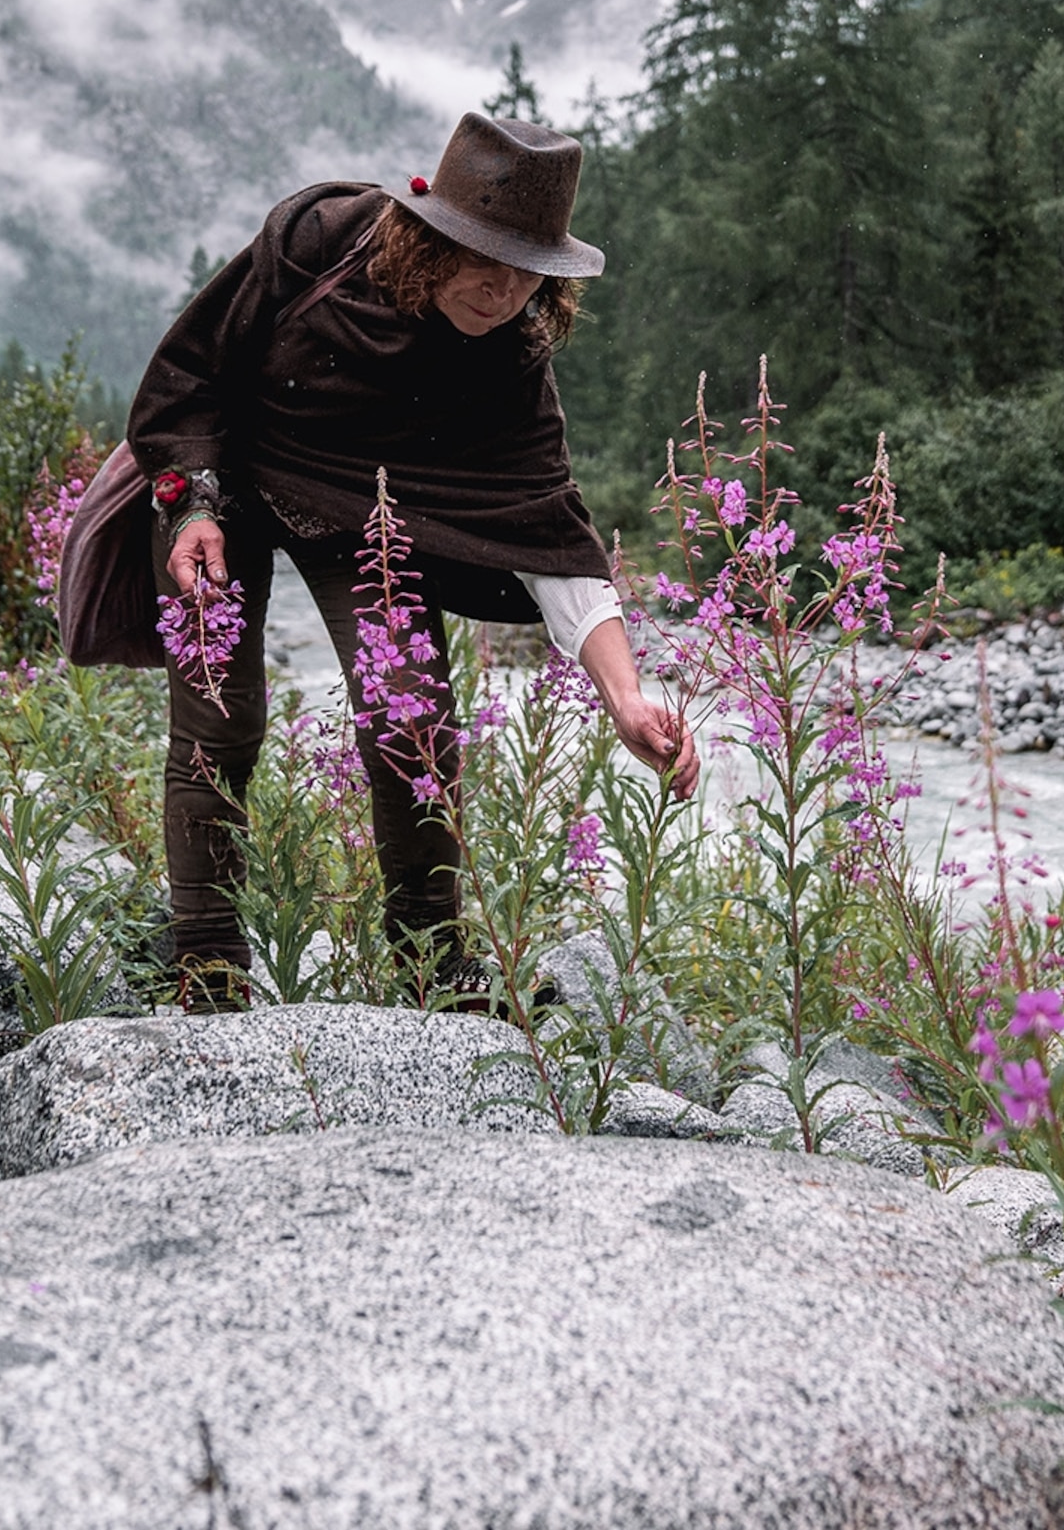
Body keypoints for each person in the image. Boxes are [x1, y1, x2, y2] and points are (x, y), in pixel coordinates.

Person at [125, 110, 699, 1007]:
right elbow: (191, 371)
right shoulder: (313, 243)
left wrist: (626, 697)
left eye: (529, 272)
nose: (504, 289)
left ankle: (433, 963)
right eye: (483, 257)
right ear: (430, 235)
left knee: (412, 713)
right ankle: (205, 963)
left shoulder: (511, 361)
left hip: (362, 520)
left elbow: (554, 533)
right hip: (219, 480)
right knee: (221, 716)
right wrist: (190, 500)